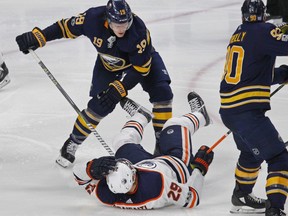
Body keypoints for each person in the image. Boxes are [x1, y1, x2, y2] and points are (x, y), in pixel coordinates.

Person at [15, 0, 173, 167]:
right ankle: (73, 142)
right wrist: (38, 37)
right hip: (109, 65)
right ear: (107, 19)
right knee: (99, 106)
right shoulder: (92, 19)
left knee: (163, 93)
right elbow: (65, 27)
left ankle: (162, 145)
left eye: (125, 23)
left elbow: (141, 69)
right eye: (116, 24)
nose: (121, 29)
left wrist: (119, 88)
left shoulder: (138, 31)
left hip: (141, 64)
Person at [73, 92, 214, 209]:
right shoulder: (158, 186)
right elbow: (192, 198)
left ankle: (140, 116)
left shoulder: (107, 194)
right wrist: (199, 168)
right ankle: (200, 115)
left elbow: (79, 178)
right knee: (173, 125)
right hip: (176, 163)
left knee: (121, 142)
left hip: (146, 163)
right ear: (133, 175)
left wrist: (90, 169)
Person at [219, 0, 288, 215]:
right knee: (279, 157)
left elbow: (254, 74)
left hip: (229, 110)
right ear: (263, 15)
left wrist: (284, 74)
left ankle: (241, 195)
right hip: (246, 112)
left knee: (251, 153)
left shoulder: (238, 34)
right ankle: (275, 208)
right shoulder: (264, 30)